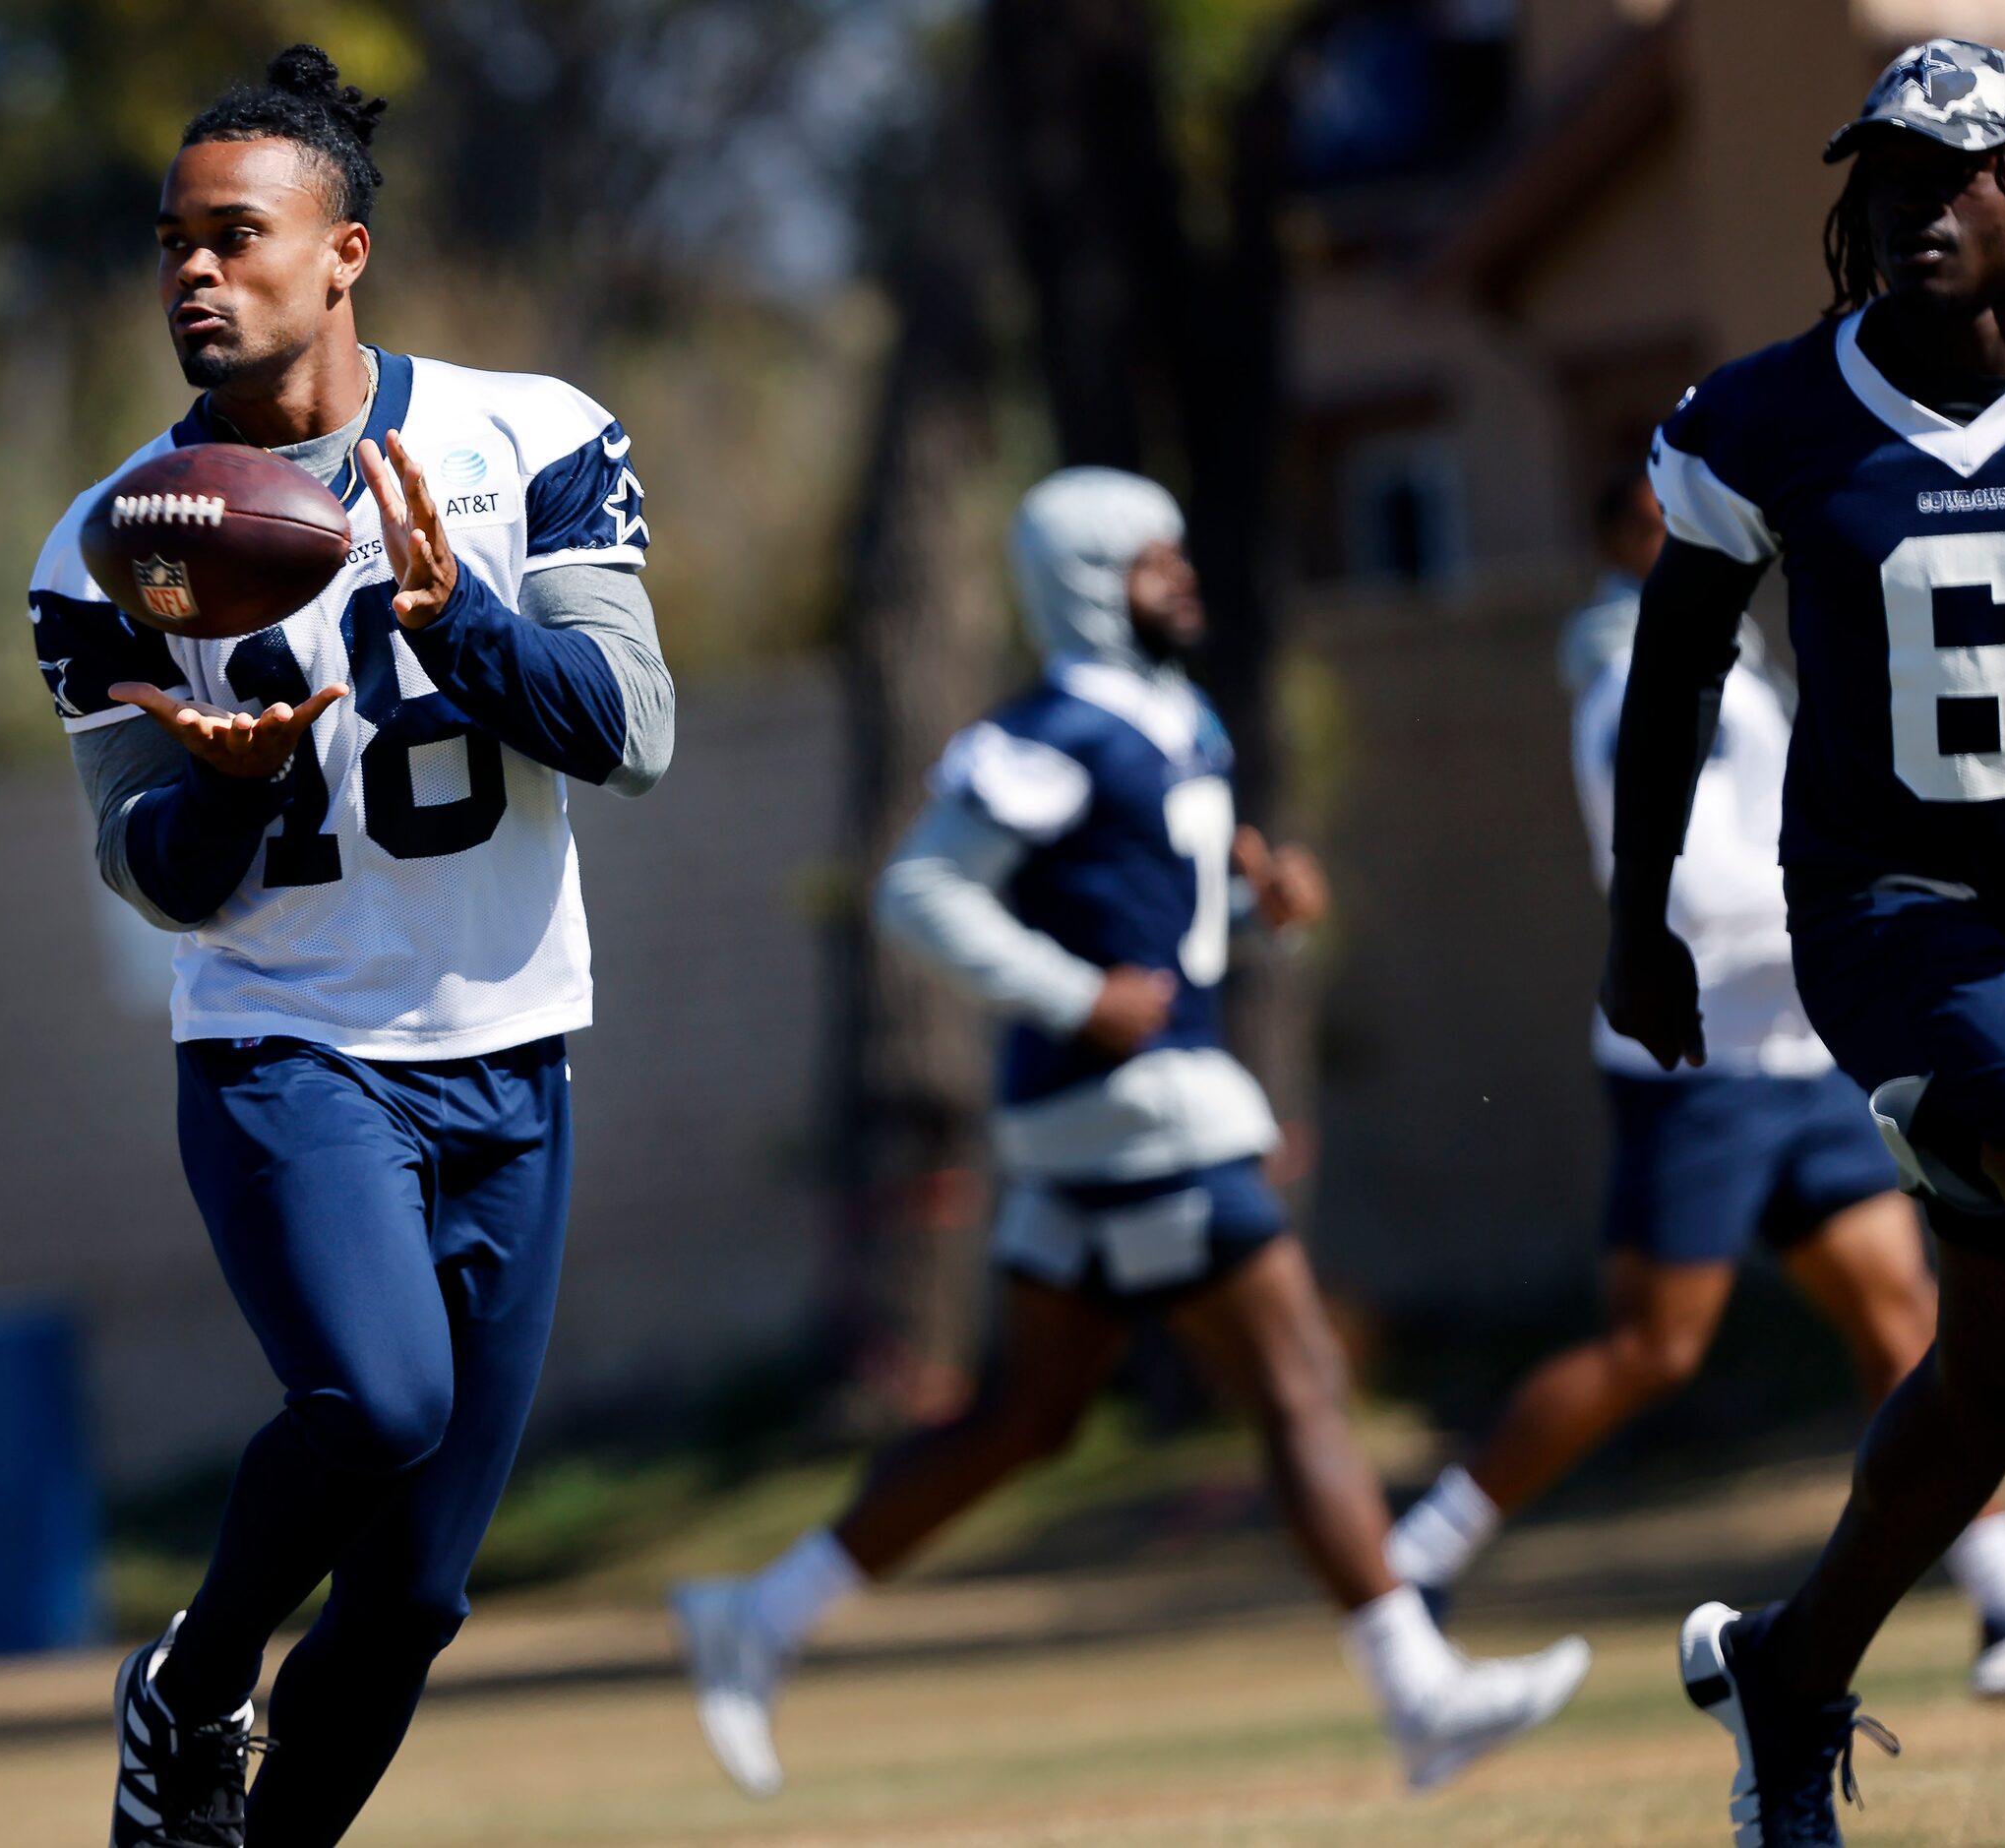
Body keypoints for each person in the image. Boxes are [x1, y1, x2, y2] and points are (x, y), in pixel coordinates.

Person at [669, 467, 1590, 1801]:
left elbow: (1144, 868)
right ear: (1093, 579)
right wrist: (1072, 992)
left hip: (1117, 1117)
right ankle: (1420, 1692)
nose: (1187, 579)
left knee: (1029, 1416)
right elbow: (923, 890)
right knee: (1296, 1386)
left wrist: (1254, 887)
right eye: (1159, 561)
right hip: (1139, 1105)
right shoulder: (1052, 730)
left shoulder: (1173, 717)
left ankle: (760, 1613)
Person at [27, 47, 674, 1848]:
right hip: (285, 1045)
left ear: (345, 254)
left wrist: (457, 618)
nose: (193, 275)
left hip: (514, 1050)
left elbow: (630, 727)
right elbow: (147, 870)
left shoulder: (531, 437)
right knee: (378, 1395)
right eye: (172, 242)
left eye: (236, 236)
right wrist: (224, 795)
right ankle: (194, 1673)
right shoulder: (112, 539)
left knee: (411, 1600)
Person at [1386, 472, 2005, 1696]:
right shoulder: (1633, 683)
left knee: (1902, 1321)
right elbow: (1681, 896)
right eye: (1672, 514)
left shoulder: (1731, 667)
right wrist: (1857, 881)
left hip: (1794, 1066)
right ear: (1627, 536)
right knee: (1651, 1349)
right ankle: (1413, 1558)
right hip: (1696, 1076)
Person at [1605, 37, 2005, 1846]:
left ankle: (1789, 1674)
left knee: (1993, 1380)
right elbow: (1670, 681)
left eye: (1948, 175)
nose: (1904, 208)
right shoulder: (1770, 416)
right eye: (1877, 175)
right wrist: (1636, 921)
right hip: (1904, 929)